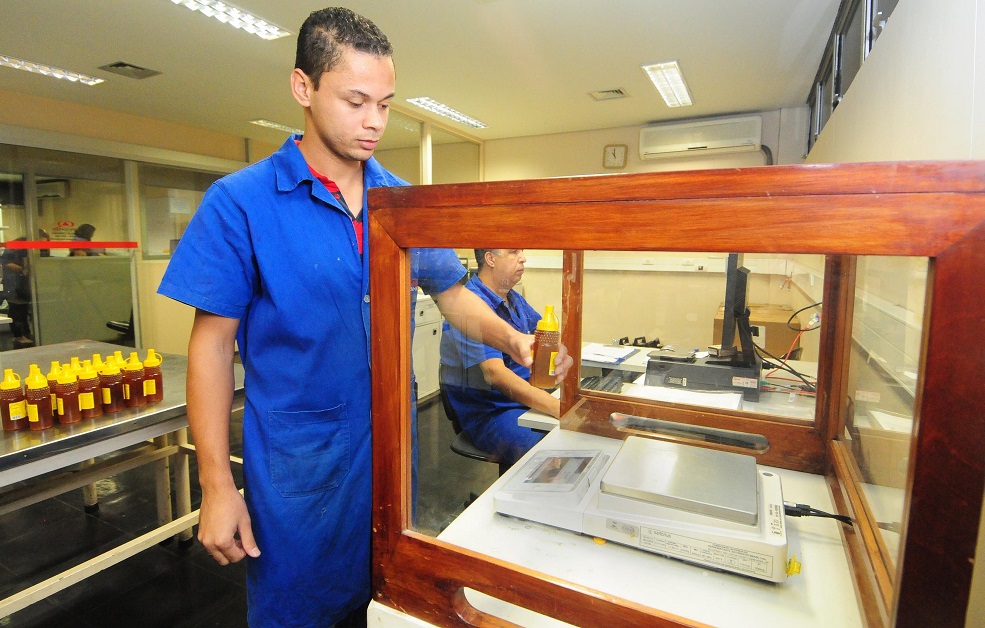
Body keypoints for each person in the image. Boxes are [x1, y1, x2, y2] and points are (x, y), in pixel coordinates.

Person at [157, 8, 570, 627]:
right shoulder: (240, 204)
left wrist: (515, 340)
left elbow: (453, 293)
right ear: (303, 87)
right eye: (356, 102)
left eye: (385, 104)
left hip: (390, 458)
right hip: (300, 465)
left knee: (385, 607)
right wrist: (216, 485)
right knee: (298, 610)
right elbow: (211, 349)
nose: (375, 121)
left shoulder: (399, 203)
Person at [440, 249, 559, 466]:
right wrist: (556, 406)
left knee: (572, 436)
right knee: (551, 455)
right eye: (514, 252)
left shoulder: (514, 299)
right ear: (490, 259)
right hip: (493, 412)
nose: (523, 258)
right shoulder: (469, 307)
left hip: (523, 399)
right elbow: (495, 374)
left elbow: (545, 339)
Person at [1, 237, 33, 346]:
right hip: (15, 286)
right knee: (17, 311)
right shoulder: (12, 250)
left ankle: (24, 334)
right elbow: (6, 263)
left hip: (21, 285)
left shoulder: (21, 250)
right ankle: (19, 335)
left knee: (22, 311)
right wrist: (22, 270)